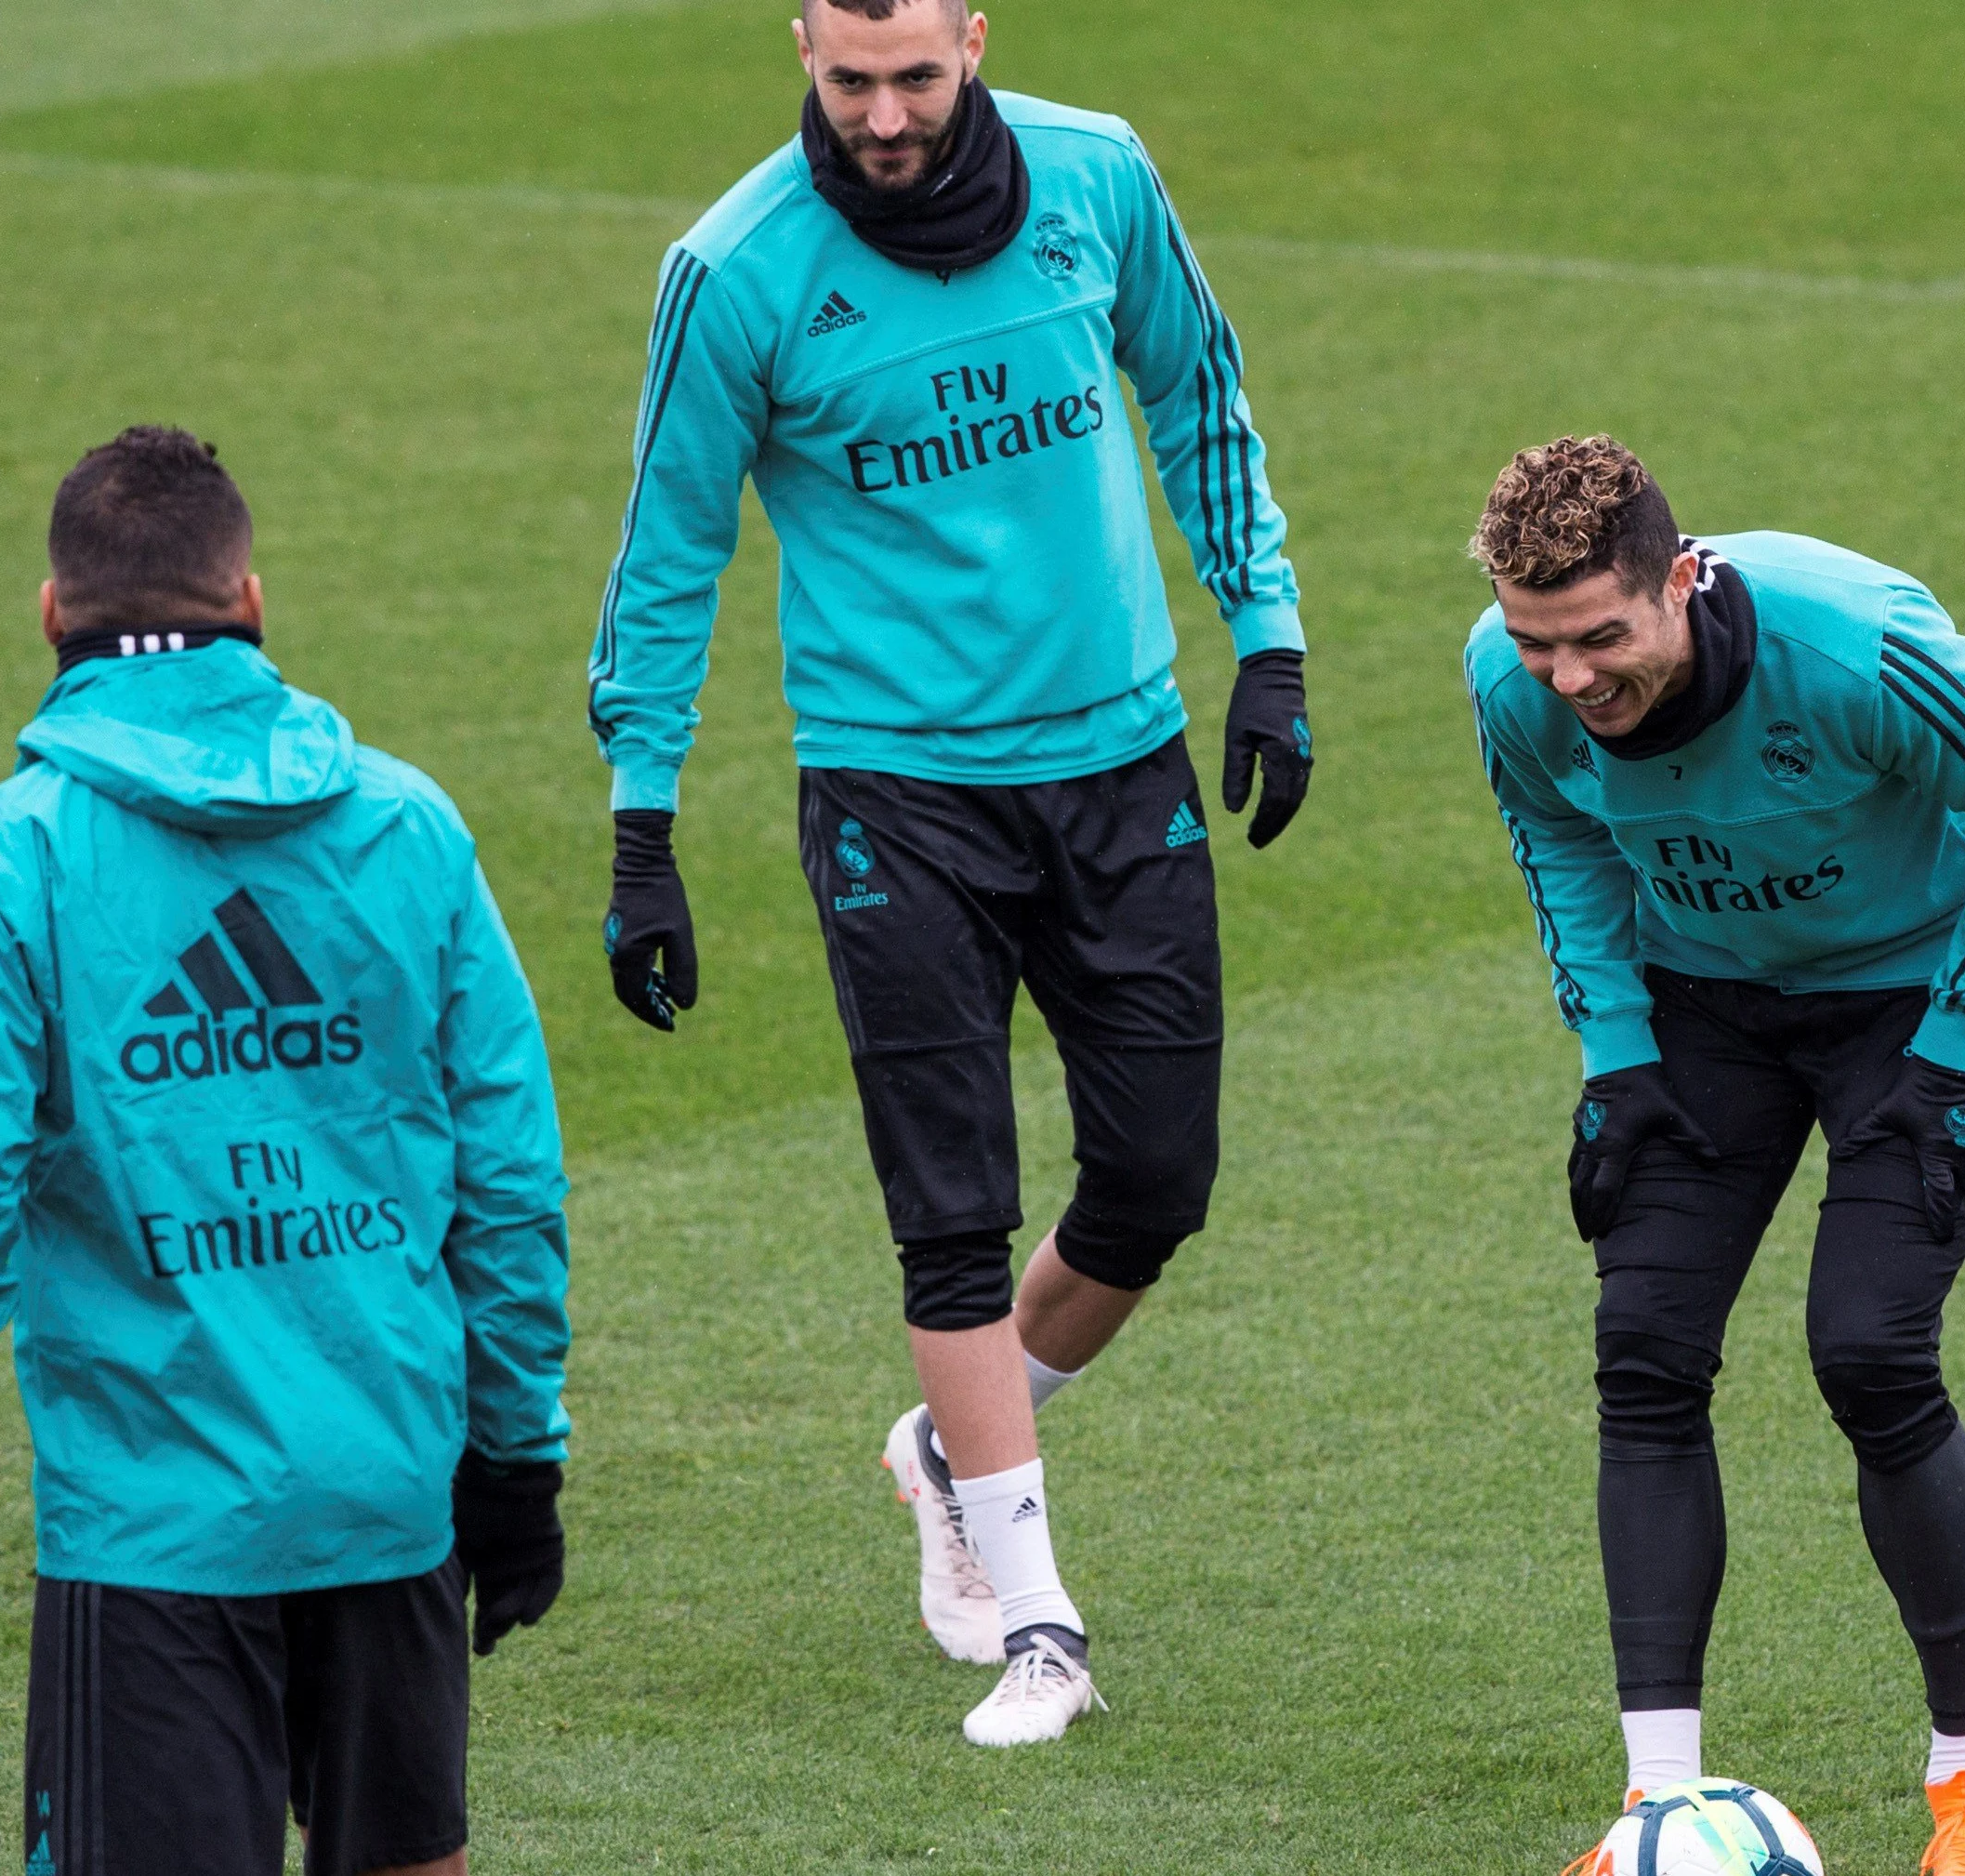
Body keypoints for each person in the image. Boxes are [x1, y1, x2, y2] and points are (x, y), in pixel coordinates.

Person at [585, 0, 1311, 1746]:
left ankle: (946, 1449)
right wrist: (642, 823)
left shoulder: (1099, 176)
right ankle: (1037, 1612)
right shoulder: (737, 268)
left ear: (976, 39)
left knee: (1156, 1180)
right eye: (851, 80)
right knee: (951, 1203)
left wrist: (1266, 637)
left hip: (1118, 755)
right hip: (892, 795)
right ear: (802, 52)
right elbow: (666, 549)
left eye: (917, 74)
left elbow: (1196, 393)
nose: (888, 115)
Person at [0, 427, 573, 1876]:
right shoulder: (410, 826)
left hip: (153, 1540)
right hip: (389, 1499)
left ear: (54, 613)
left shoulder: (2, 862)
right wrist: (517, 1453)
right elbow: (513, 1182)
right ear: (253, 596)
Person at [1466, 436, 1965, 1875]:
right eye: (1536, 640)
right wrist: (1614, 1054)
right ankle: (1655, 1803)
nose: (1567, 678)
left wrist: (1956, 1052)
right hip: (1701, 1009)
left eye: (1601, 638)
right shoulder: (1510, 681)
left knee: (1870, 1350)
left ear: (1683, 581)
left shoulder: (1858, 646)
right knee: (1645, 1345)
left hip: (1904, 1006)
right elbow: (1555, 834)